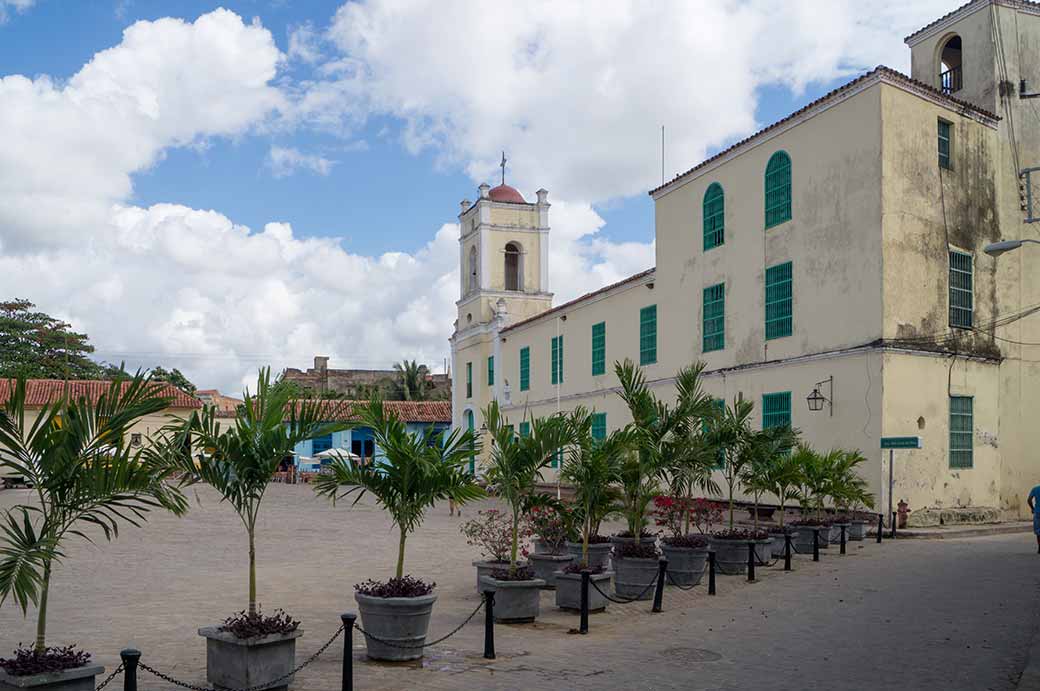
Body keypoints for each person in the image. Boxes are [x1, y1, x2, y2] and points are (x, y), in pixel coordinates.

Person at [1029, 484, 1040, 554]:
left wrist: (1032, 508)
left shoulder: (1035, 488)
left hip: (1037, 512)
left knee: (1038, 531)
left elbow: (1029, 500)